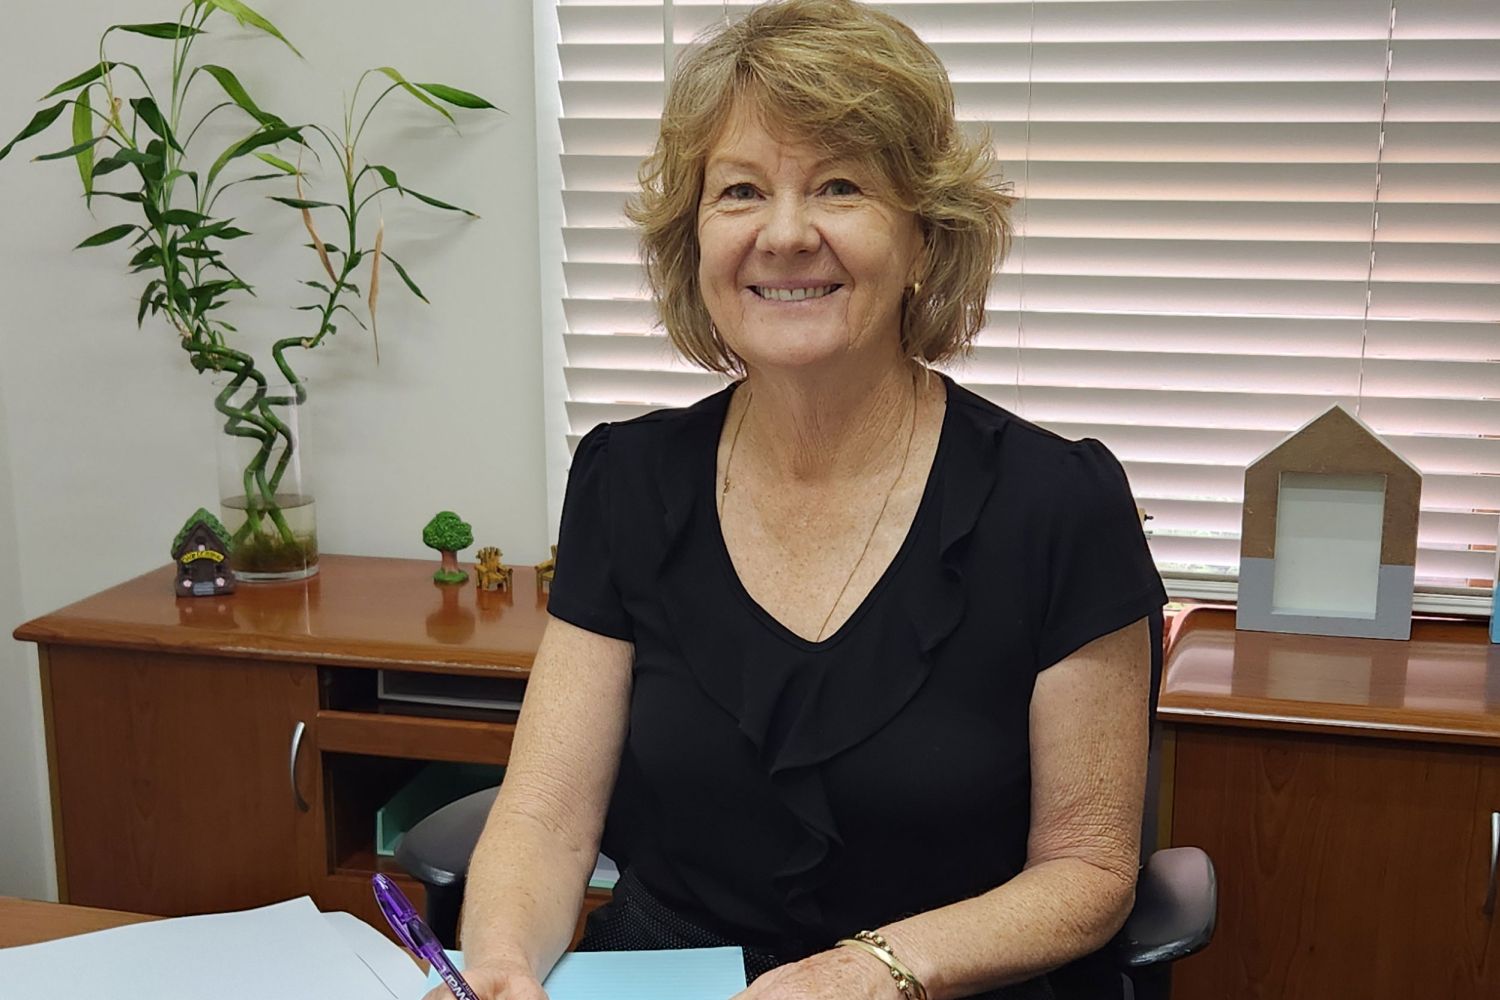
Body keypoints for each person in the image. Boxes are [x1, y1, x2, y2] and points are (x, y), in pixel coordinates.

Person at [429, 2, 1165, 997]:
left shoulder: (1057, 506)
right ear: (695, 238)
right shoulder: (627, 482)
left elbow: (1088, 871)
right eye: (739, 190)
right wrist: (503, 963)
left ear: (924, 236)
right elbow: (547, 812)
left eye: (839, 186)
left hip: (944, 984)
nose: (783, 234)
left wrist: (881, 969)